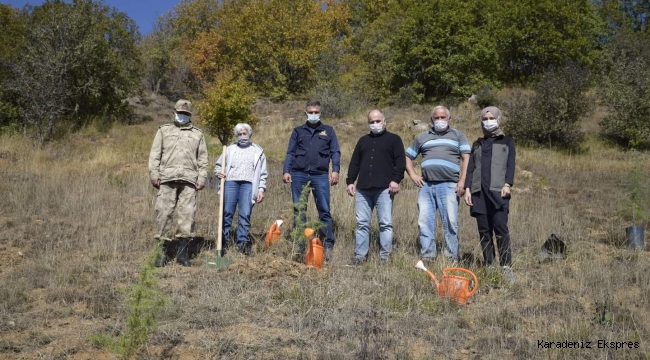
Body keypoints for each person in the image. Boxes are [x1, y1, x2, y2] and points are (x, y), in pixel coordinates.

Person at [405, 106, 470, 262]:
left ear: (449, 118)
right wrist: (413, 174)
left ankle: (451, 257)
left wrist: (462, 181)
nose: (439, 120)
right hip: (426, 186)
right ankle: (428, 255)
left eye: (443, 117)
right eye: (436, 118)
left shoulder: (458, 135)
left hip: (449, 185)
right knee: (424, 222)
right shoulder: (422, 137)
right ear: (431, 120)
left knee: (450, 222)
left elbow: (467, 159)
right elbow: (407, 157)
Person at [148, 99, 208, 267]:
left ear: (190, 116)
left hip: (189, 181)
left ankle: (183, 254)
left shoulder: (198, 134)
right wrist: (154, 174)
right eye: (180, 113)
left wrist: (202, 178)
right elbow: (155, 155)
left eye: (186, 114)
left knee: (187, 215)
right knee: (164, 214)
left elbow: (203, 159)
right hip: (167, 179)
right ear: (174, 113)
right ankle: (161, 253)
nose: (182, 116)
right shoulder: (163, 131)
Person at [283, 100, 341, 261]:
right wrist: (286, 170)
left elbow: (335, 151)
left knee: (324, 210)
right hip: (299, 174)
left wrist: (335, 170)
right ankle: (300, 244)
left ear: (321, 113)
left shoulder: (328, 131)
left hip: (320, 175)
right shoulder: (298, 131)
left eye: (316, 112)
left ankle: (327, 243)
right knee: (299, 210)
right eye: (311, 112)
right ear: (306, 113)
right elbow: (290, 152)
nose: (313, 114)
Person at [346, 110, 406, 265]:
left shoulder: (394, 140)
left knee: (385, 223)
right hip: (363, 189)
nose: (375, 124)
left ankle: (385, 257)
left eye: (378, 121)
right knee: (361, 224)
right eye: (372, 122)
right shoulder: (363, 141)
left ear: (384, 121)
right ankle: (360, 256)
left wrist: (395, 180)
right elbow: (355, 163)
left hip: (384, 189)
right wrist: (350, 181)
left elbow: (400, 163)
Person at [464, 106, 516, 282]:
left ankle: (506, 266)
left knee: (501, 229)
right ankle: (489, 264)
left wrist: (507, 184)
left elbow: (510, 164)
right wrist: (468, 189)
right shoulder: (477, 144)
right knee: (484, 231)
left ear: (498, 119)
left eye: (491, 117)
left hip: (498, 192)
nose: (488, 121)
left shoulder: (507, 141)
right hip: (479, 193)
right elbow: (471, 168)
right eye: (485, 118)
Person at [215, 123, 268, 255]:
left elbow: (263, 173)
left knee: (245, 214)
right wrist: (218, 173)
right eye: (240, 134)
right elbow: (218, 166)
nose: (243, 136)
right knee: (227, 213)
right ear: (236, 135)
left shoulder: (258, 151)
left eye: (245, 133)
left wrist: (261, 189)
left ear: (249, 134)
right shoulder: (229, 149)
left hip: (248, 185)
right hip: (231, 183)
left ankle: (242, 243)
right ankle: (223, 242)